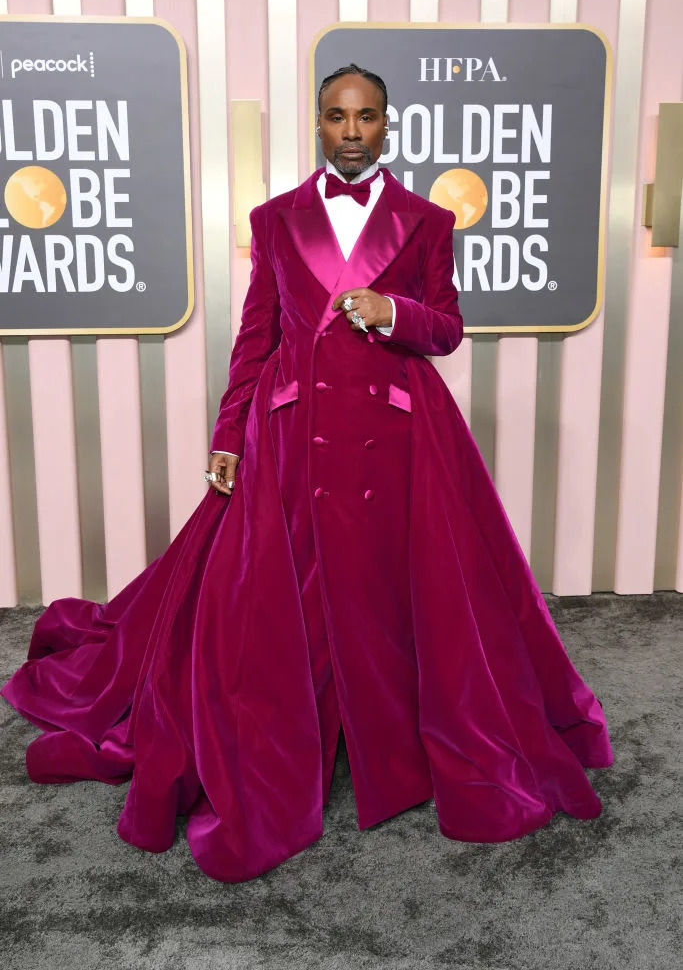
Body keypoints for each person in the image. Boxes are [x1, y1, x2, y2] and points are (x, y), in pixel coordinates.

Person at [1, 64, 613, 883]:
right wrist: (228, 432)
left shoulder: (427, 221)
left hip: (397, 439)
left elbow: (449, 330)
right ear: (317, 124)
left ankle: (393, 736)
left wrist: (393, 313)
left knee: (402, 594)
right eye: (336, 116)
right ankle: (297, 736)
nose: (351, 130)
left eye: (366, 117)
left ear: (387, 126)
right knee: (275, 599)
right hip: (291, 433)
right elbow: (256, 334)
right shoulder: (276, 218)